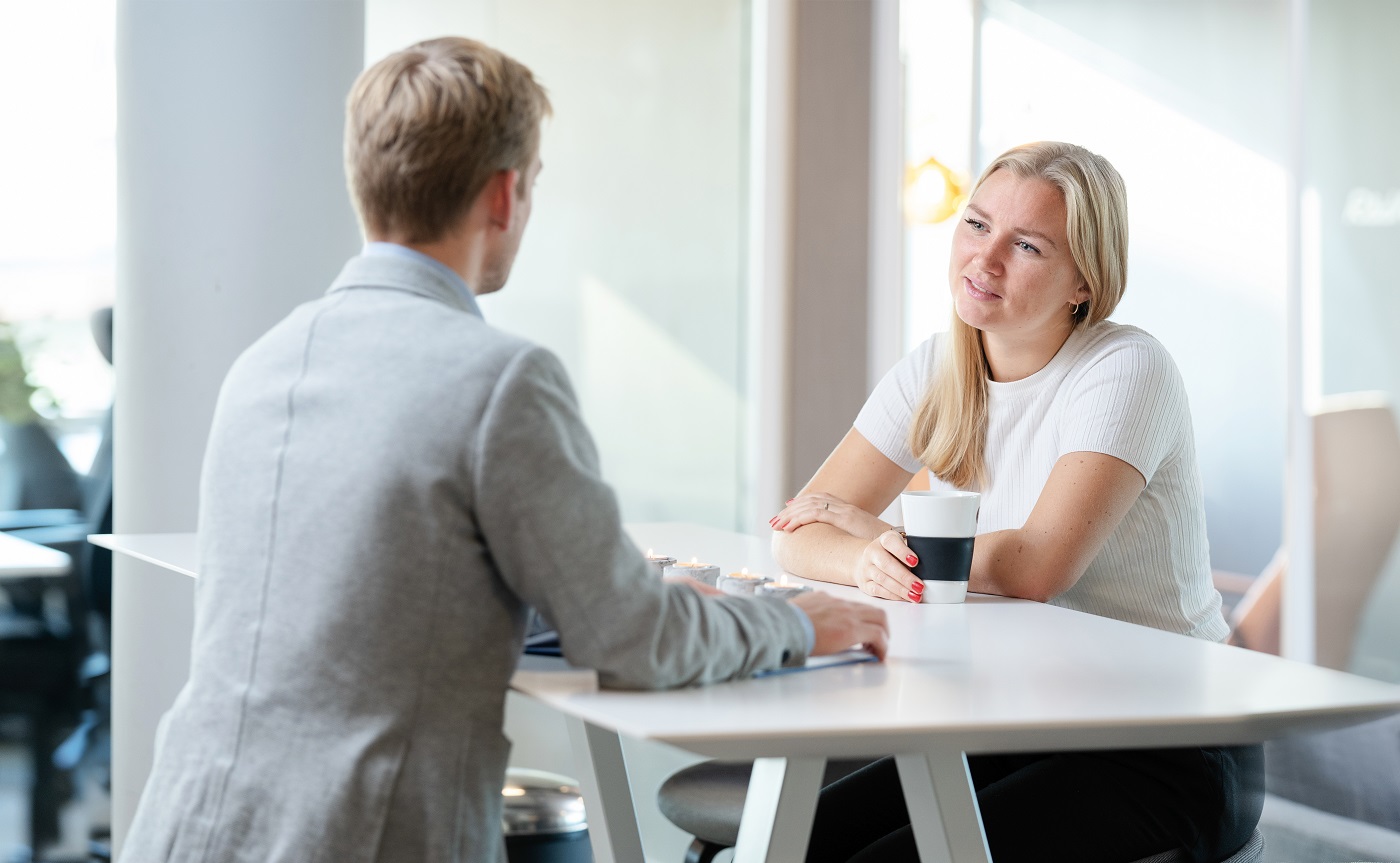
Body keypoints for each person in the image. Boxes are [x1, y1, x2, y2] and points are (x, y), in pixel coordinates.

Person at [121, 37, 888, 863]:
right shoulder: (500, 379)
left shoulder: (263, 360)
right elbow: (634, 643)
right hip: (361, 834)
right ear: (503, 193)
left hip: (187, 820)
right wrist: (793, 623)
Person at [769, 141, 1262, 862]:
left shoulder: (1126, 368)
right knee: (790, 846)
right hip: (1018, 720)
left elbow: (1037, 564)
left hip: (1167, 742)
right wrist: (871, 554)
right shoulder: (937, 369)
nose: (985, 259)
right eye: (976, 225)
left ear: (1083, 284)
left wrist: (880, 532)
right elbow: (796, 531)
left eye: (1026, 245)